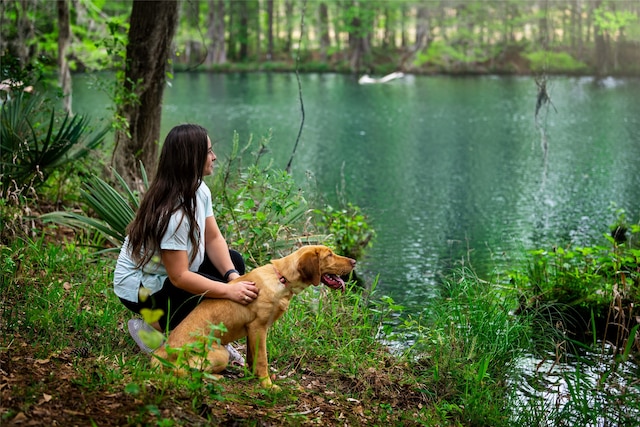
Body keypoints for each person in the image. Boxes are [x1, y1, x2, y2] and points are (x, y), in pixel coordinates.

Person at [114, 124, 259, 356]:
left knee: (234, 261)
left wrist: (232, 278)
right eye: (209, 152)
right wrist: (227, 291)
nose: (214, 157)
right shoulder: (174, 215)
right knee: (195, 293)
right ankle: (150, 327)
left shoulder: (199, 190)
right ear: (192, 159)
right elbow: (180, 278)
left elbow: (213, 238)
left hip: (168, 277)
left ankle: (213, 335)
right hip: (140, 287)